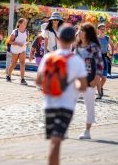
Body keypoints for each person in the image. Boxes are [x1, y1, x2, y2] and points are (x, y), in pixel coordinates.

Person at [36, 26, 87, 165]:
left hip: (49, 104)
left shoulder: (48, 57)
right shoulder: (76, 61)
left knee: (54, 140)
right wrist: (74, 83)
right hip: (67, 105)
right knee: (56, 142)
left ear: (58, 38)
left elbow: (38, 81)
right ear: (74, 40)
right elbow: (83, 86)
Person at [76, 22, 104, 139]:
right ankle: (64, 128)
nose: (79, 32)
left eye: (81, 30)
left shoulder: (93, 46)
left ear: (87, 33)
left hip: (89, 79)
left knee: (89, 105)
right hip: (76, 80)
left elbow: (100, 64)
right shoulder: (77, 46)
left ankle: (87, 131)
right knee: (69, 103)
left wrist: (96, 79)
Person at [6, 18, 29, 85]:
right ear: (19, 23)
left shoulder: (27, 31)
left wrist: (26, 43)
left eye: (25, 23)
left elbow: (27, 40)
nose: (25, 25)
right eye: (24, 23)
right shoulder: (15, 31)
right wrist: (18, 43)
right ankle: (8, 75)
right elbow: (10, 41)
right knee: (14, 64)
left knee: (22, 63)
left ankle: (22, 79)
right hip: (15, 50)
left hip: (23, 49)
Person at [96, 23, 114, 99]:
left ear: (105, 30)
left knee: (104, 78)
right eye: (101, 29)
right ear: (98, 30)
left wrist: (112, 55)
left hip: (104, 59)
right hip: (97, 59)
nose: (102, 30)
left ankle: (100, 88)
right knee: (97, 78)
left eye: (104, 29)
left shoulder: (107, 38)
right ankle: (99, 93)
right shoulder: (95, 39)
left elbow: (112, 46)